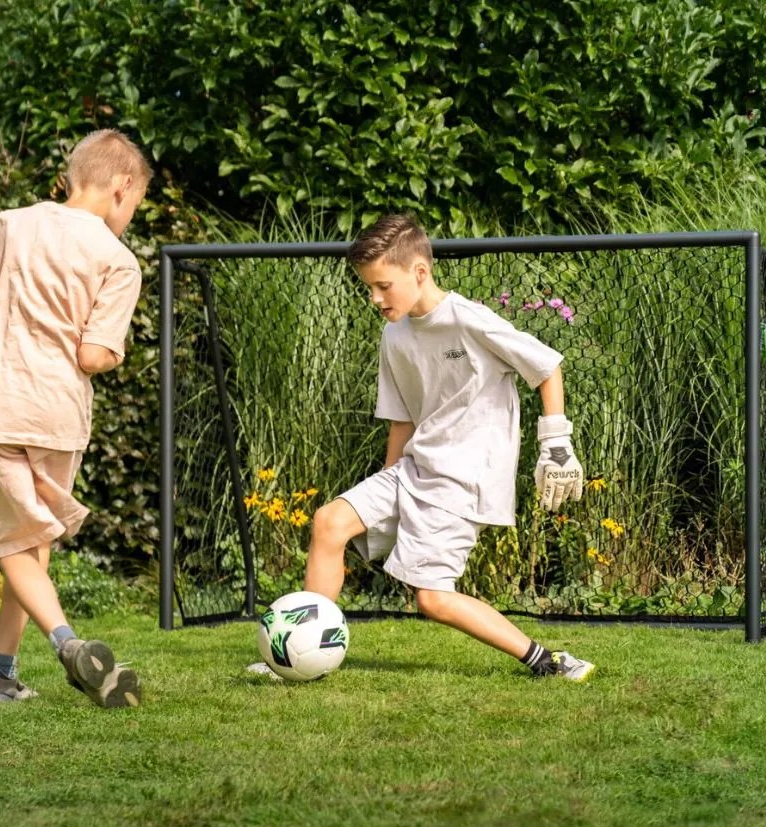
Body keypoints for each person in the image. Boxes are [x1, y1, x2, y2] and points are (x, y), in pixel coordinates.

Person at [254, 213, 595, 681]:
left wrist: (556, 444)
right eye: (368, 288)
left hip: (464, 481)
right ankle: (297, 654)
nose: (375, 298)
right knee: (329, 522)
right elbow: (404, 417)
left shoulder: (469, 320)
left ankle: (547, 661)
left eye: (382, 285)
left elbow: (546, 367)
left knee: (432, 598)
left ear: (419, 272)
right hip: (413, 469)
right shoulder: (394, 336)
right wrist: (385, 485)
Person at [0, 129, 151, 707]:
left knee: (16, 540)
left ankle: (50, 651)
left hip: (3, 402)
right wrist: (115, 351)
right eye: (135, 205)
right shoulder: (117, 260)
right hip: (57, 416)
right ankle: (26, 661)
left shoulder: (9, 225)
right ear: (123, 185)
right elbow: (93, 355)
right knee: (27, 543)